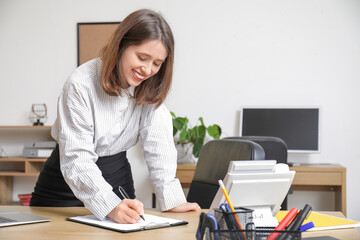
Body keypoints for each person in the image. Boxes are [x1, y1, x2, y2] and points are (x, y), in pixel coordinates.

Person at [30, 9, 200, 223]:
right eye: (142, 57)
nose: (147, 69)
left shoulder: (149, 88)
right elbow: (76, 158)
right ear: (121, 45)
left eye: (157, 63)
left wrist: (173, 200)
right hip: (64, 181)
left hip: (116, 174)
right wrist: (109, 204)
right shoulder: (80, 83)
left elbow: (159, 145)